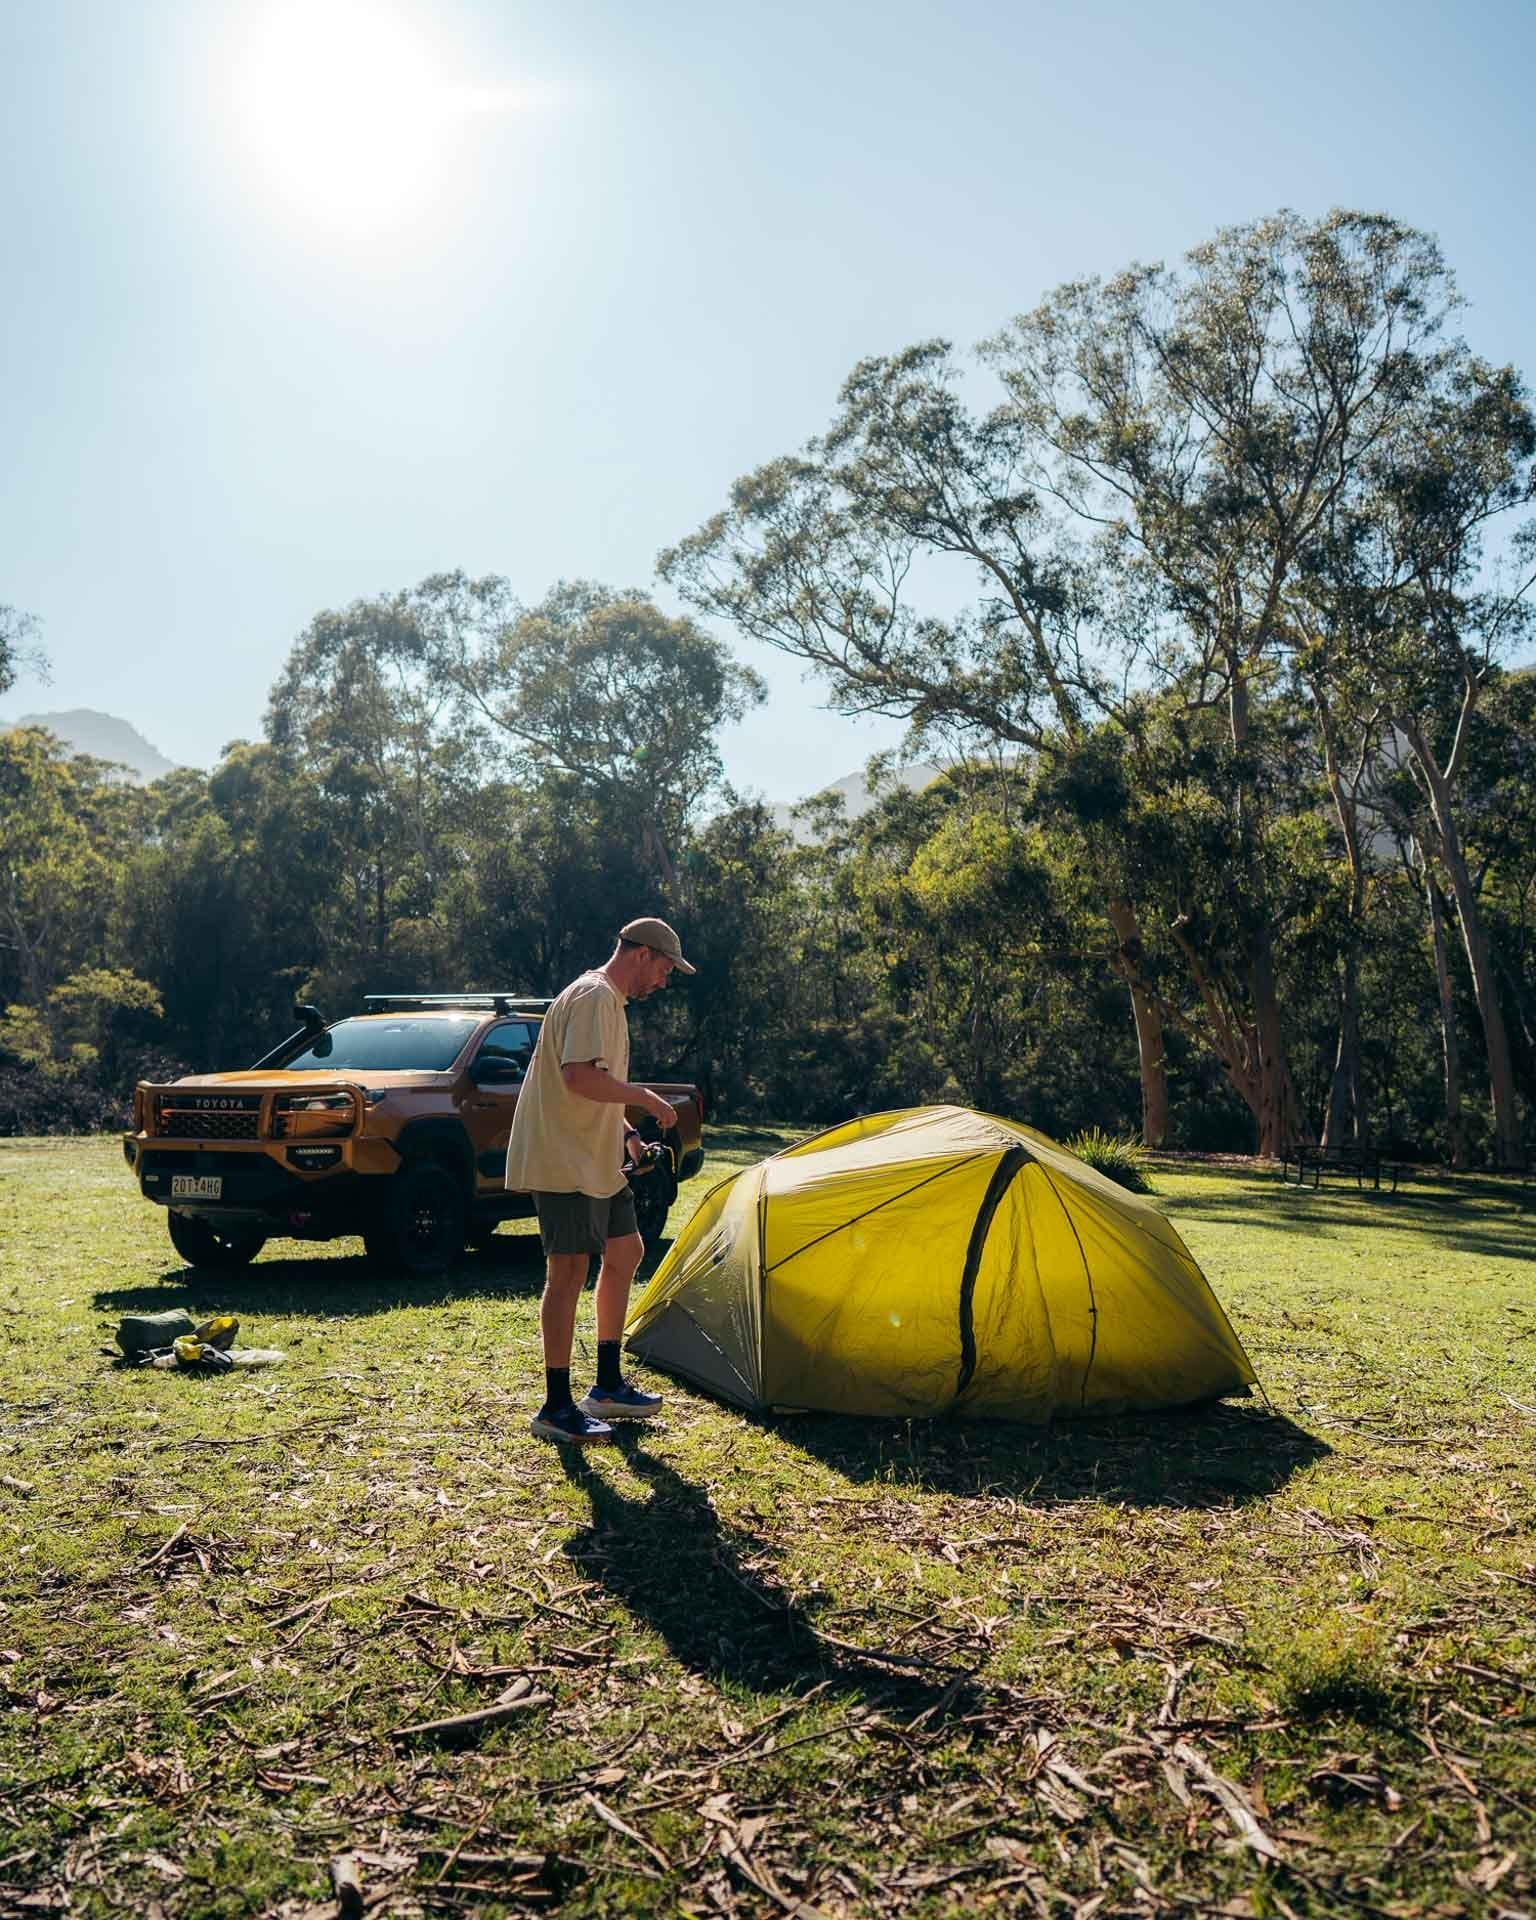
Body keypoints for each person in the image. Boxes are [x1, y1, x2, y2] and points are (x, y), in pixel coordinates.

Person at [505, 915, 696, 1443]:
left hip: (597, 1160)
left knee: (627, 1250)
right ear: (641, 955)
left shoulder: (609, 1002)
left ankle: (607, 1386)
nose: (664, 980)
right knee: (566, 1273)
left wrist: (628, 1133)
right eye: (663, 968)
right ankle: (556, 1405)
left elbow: (597, 1087)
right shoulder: (593, 997)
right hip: (564, 1160)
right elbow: (579, 1077)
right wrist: (644, 1097)